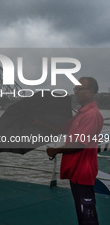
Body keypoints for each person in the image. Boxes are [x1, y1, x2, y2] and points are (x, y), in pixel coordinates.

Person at [46, 77, 103, 225]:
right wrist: (38, 122)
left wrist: (56, 150)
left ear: (91, 91)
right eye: (75, 89)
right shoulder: (81, 113)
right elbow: (62, 128)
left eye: (80, 89)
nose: (76, 92)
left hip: (83, 171)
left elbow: (79, 144)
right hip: (75, 171)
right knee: (81, 210)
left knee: (87, 213)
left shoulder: (91, 115)